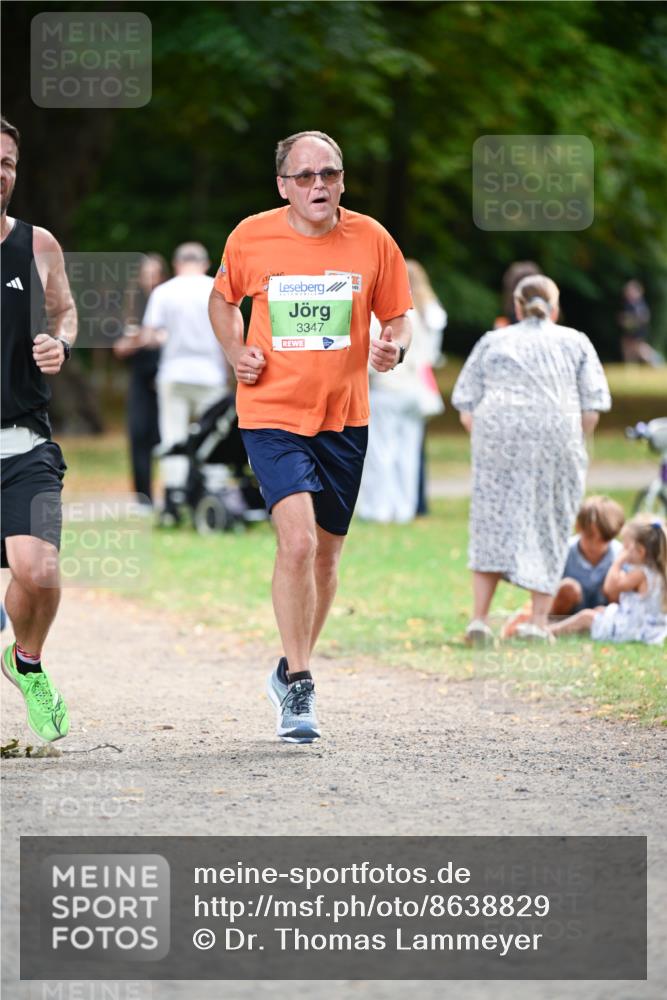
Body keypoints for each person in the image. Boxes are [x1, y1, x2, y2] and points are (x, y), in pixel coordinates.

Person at [209, 129, 412, 743]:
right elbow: (222, 301)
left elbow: (399, 315)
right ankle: (300, 683)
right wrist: (235, 349)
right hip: (270, 413)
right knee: (295, 545)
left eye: (328, 174)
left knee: (325, 558)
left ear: (343, 181)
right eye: (305, 176)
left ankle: (289, 665)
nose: (318, 185)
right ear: (283, 186)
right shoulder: (251, 235)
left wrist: (393, 348)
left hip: (345, 418)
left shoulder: (372, 239)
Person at [451, 274, 611, 644]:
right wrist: (573, 442)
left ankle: (479, 620)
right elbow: (592, 407)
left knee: (491, 520)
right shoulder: (576, 341)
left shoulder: (494, 340)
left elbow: (466, 404)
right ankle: (538, 621)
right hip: (556, 438)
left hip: (498, 435)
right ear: (554, 307)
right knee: (550, 520)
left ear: (517, 306)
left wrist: (491, 443)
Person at [1, 116, 77, 741]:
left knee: (41, 570)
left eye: (7, 161)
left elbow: (67, 311)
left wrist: (60, 342)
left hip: (24, 442)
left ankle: (26, 661)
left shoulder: (37, 244)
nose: (0, 172)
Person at [141, 242, 229, 524]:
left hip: (174, 372)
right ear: (205, 264)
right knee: (216, 434)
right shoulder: (215, 288)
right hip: (209, 373)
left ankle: (174, 497)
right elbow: (229, 332)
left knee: (173, 435)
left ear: (177, 264)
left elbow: (151, 335)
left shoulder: (165, 291)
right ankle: (216, 491)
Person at [356, 259, 445, 523]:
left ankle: (380, 509)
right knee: (408, 451)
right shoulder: (423, 313)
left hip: (387, 389)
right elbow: (430, 355)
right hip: (415, 390)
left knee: (381, 451)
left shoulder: (383, 316)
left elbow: (372, 356)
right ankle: (404, 509)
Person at [502, 494, 625, 636]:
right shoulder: (566, 551)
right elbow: (544, 587)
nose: (595, 544)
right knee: (569, 587)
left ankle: (550, 631)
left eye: (603, 539)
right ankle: (546, 624)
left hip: (604, 609)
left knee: (617, 581)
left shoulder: (618, 554)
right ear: (579, 529)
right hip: (564, 611)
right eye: (590, 536)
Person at [549, 516, 667, 646]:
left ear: (640, 551)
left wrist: (617, 562)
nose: (622, 550)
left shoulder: (640, 574)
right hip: (651, 630)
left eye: (625, 546)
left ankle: (548, 631)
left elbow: (609, 588)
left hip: (634, 630)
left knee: (586, 617)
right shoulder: (657, 574)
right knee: (602, 610)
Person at [113, 253, 169, 511]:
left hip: (167, 378)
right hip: (140, 379)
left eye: (153, 274)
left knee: (167, 438)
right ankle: (143, 498)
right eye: (145, 274)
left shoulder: (170, 299)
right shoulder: (131, 306)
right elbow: (119, 347)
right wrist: (142, 339)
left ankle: (173, 495)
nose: (149, 280)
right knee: (138, 435)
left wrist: (151, 337)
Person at [618, 280, 664, 367]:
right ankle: (631, 367)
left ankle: (656, 360)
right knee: (629, 347)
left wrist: (628, 321)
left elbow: (644, 317)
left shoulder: (638, 304)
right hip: (631, 330)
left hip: (637, 330)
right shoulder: (629, 304)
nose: (628, 293)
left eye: (630, 291)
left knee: (640, 349)